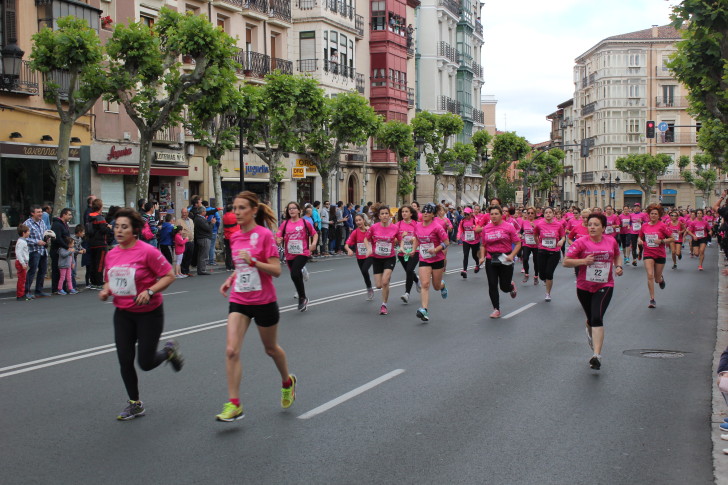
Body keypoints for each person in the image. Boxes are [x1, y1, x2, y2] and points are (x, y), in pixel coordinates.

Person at [217, 191, 296, 422]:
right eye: (235, 208)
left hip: (264, 300)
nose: (237, 212)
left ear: (253, 210)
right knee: (231, 350)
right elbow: (241, 266)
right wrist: (231, 279)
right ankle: (234, 404)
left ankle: (286, 381)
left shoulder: (264, 235)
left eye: (242, 208)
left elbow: (276, 270)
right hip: (240, 299)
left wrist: (254, 262)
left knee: (270, 349)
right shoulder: (234, 237)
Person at [99, 208, 183, 420]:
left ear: (135, 230)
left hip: (149, 313)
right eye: (117, 226)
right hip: (123, 313)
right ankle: (135, 403)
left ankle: (168, 352)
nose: (119, 230)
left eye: (124, 227)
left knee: (145, 363)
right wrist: (106, 289)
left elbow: (169, 275)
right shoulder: (112, 254)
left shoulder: (148, 252)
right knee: (124, 360)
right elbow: (110, 278)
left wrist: (150, 290)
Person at [563, 212, 623, 370]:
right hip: (584, 286)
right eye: (590, 225)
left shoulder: (611, 241)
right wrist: (584, 261)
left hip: (605, 285)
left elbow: (617, 255)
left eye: (596, 225)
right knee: (590, 318)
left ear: (603, 227)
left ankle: (596, 355)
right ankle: (590, 331)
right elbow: (566, 262)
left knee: (597, 316)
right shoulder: (581, 242)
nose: (592, 227)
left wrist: (618, 266)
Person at [479, 206, 521, 319]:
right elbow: (483, 245)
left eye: (496, 214)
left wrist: (512, 255)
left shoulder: (509, 227)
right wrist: (482, 257)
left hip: (505, 257)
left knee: (504, 287)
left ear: (501, 214)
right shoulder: (486, 228)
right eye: (491, 214)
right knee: (492, 284)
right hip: (491, 258)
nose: (494, 216)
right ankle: (496, 309)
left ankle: (510, 286)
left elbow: (518, 244)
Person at [276, 201, 317, 312]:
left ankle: (302, 298)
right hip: (289, 254)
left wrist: (313, 244)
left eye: (294, 208)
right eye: (290, 209)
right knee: (295, 276)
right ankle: (303, 297)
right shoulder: (285, 224)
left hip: (302, 252)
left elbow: (315, 234)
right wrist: (278, 240)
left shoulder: (304, 222)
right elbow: (278, 236)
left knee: (294, 273)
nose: (292, 210)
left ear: (299, 210)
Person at [413, 203, 449, 322]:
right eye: (424, 211)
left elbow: (446, 242)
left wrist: (436, 249)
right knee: (425, 284)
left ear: (433, 214)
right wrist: (413, 250)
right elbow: (417, 239)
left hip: (437, 259)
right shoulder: (417, 226)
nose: (425, 213)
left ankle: (442, 285)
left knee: (436, 286)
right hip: (424, 258)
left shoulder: (437, 227)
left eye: (428, 212)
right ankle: (424, 309)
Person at [365, 205, 401, 315]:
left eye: (386, 213)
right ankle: (385, 285)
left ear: (389, 215)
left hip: (389, 258)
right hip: (376, 258)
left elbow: (400, 240)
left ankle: (384, 305)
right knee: (379, 285)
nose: (385, 215)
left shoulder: (394, 227)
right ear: (379, 216)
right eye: (382, 214)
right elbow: (366, 239)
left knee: (385, 282)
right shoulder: (374, 227)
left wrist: (402, 247)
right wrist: (369, 248)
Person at [638, 204, 673, 308]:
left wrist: (661, 240)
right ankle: (652, 299)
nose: (653, 215)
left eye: (655, 214)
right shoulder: (644, 226)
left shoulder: (662, 226)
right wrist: (639, 241)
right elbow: (640, 237)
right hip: (648, 253)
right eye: (651, 214)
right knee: (650, 275)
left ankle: (660, 279)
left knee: (656, 279)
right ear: (649, 215)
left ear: (659, 215)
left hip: (660, 254)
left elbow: (672, 238)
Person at [533, 207, 565, 302]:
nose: (548, 214)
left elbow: (563, 236)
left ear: (553, 214)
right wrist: (538, 244)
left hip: (554, 252)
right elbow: (535, 235)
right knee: (542, 274)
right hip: (542, 251)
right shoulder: (539, 225)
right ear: (544, 214)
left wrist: (561, 241)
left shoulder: (558, 225)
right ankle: (544, 280)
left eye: (550, 212)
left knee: (549, 273)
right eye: (546, 212)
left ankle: (547, 293)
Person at [23, 205, 50, 298]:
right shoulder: (27, 224)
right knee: (32, 271)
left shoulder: (42, 222)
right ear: (32, 213)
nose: (40, 214)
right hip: (34, 250)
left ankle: (39, 290)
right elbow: (24, 239)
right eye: (38, 212)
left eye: (41, 212)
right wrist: (36, 242)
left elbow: (45, 233)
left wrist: (47, 238)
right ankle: (26, 291)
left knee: (42, 271)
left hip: (43, 250)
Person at [345, 213, 374, 300]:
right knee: (364, 273)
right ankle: (369, 289)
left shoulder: (370, 230)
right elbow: (346, 244)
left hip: (370, 255)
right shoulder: (355, 232)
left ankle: (370, 288)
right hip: (360, 257)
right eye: (356, 221)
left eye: (359, 220)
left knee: (365, 270)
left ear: (364, 220)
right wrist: (349, 250)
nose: (358, 222)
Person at [395, 204, 420, 303]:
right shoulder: (398, 224)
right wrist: (401, 237)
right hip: (402, 253)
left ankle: (407, 294)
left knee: (409, 270)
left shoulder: (416, 224)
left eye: (406, 211)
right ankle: (417, 281)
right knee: (409, 271)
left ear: (411, 213)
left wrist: (413, 239)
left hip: (414, 251)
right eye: (402, 212)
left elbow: (419, 237)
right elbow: (395, 239)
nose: (404, 213)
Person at [87, 199, 112, 289]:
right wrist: (109, 227)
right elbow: (103, 230)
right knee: (100, 264)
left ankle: (93, 281)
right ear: (100, 207)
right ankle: (99, 282)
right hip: (101, 243)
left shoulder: (89, 216)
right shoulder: (100, 217)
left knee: (93, 263)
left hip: (92, 242)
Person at [50, 208, 73, 294]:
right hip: (57, 251)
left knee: (64, 271)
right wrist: (67, 246)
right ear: (64, 215)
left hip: (63, 251)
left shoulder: (64, 224)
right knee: (57, 270)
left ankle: (63, 287)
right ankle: (56, 289)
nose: (71, 216)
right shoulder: (57, 225)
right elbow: (57, 238)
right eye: (69, 214)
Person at [457, 207, 480, 278]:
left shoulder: (475, 220)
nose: (466, 216)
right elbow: (460, 229)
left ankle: (477, 263)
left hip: (475, 240)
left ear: (471, 213)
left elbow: (479, 228)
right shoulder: (462, 221)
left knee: (474, 255)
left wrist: (474, 228)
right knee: (465, 254)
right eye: (465, 214)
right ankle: (464, 270)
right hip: (466, 240)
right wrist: (458, 236)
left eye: (467, 214)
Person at [520, 207, 540, 285]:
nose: (530, 214)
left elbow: (541, 232)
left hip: (536, 244)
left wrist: (535, 227)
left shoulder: (538, 222)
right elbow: (521, 230)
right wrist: (520, 234)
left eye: (532, 213)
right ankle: (526, 274)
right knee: (525, 259)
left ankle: (536, 276)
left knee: (536, 261)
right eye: (528, 213)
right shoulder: (524, 222)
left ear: (535, 214)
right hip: (526, 243)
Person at [193, 206, 213, 275]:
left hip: (202, 237)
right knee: (204, 254)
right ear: (202, 212)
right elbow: (207, 228)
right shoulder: (200, 219)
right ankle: (202, 269)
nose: (205, 212)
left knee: (201, 254)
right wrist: (212, 223)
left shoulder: (199, 218)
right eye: (204, 211)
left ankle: (201, 269)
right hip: (204, 238)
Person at [15, 224, 30, 301]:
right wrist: (23, 263)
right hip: (21, 262)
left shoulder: (22, 241)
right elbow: (19, 253)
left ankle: (22, 293)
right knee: (22, 279)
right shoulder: (21, 242)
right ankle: (20, 294)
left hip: (23, 262)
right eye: (28, 231)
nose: (29, 233)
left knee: (23, 278)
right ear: (24, 233)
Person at [178, 208, 195, 276]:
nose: (184, 214)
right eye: (183, 212)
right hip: (183, 241)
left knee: (189, 256)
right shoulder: (179, 221)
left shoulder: (191, 220)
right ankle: (183, 271)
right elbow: (175, 229)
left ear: (188, 213)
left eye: (185, 212)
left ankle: (187, 270)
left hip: (191, 241)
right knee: (183, 257)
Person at [222, 204, 237, 271]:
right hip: (234, 236)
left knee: (228, 252)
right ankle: (233, 266)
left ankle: (228, 266)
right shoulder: (235, 216)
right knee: (234, 251)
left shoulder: (224, 216)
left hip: (227, 236)